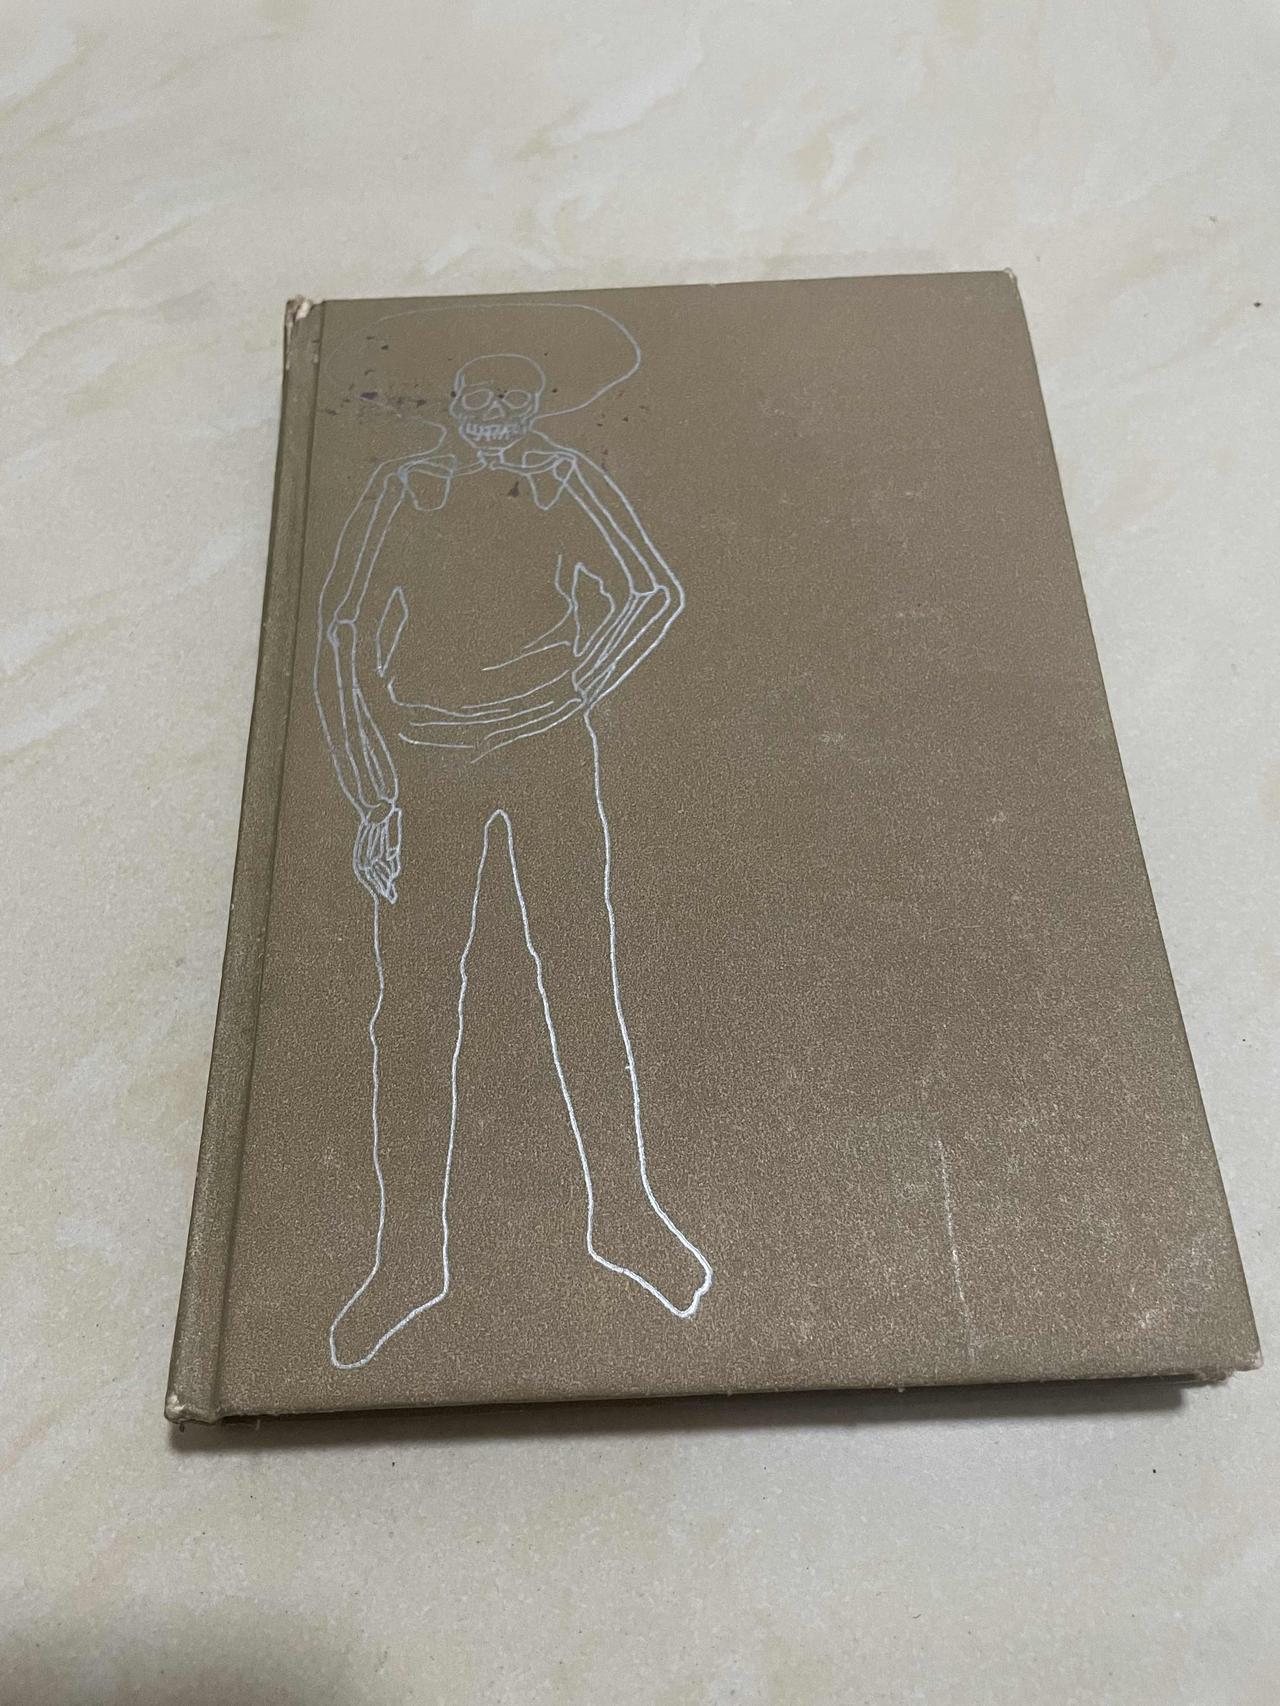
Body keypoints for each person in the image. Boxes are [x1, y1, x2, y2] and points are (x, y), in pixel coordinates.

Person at [314, 345, 712, 1369]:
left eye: (514, 397)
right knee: (413, 1008)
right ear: (454, 401)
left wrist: (581, 684)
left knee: (582, 981)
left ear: (536, 404)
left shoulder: (565, 481)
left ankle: (624, 1216)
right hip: (423, 764)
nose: (494, 412)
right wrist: (371, 792)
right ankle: (408, 1259)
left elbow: (652, 591)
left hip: (547, 758)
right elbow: (343, 630)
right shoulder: (404, 490)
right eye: (478, 395)